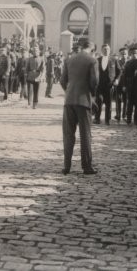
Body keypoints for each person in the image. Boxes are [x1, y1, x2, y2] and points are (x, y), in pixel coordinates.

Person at [60, 39, 99, 175]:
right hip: (84, 101)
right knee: (85, 135)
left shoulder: (69, 60)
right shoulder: (92, 60)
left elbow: (62, 80)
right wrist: (92, 96)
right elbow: (94, 82)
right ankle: (86, 166)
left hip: (69, 101)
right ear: (93, 50)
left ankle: (66, 166)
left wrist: (70, 92)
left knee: (68, 135)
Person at [95, 43, 116, 125]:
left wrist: (116, 80)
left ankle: (108, 119)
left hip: (109, 85)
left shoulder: (113, 60)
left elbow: (119, 71)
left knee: (109, 103)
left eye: (107, 49)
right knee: (99, 101)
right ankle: (97, 118)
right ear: (101, 50)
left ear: (110, 50)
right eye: (104, 49)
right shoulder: (97, 60)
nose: (106, 50)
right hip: (99, 85)